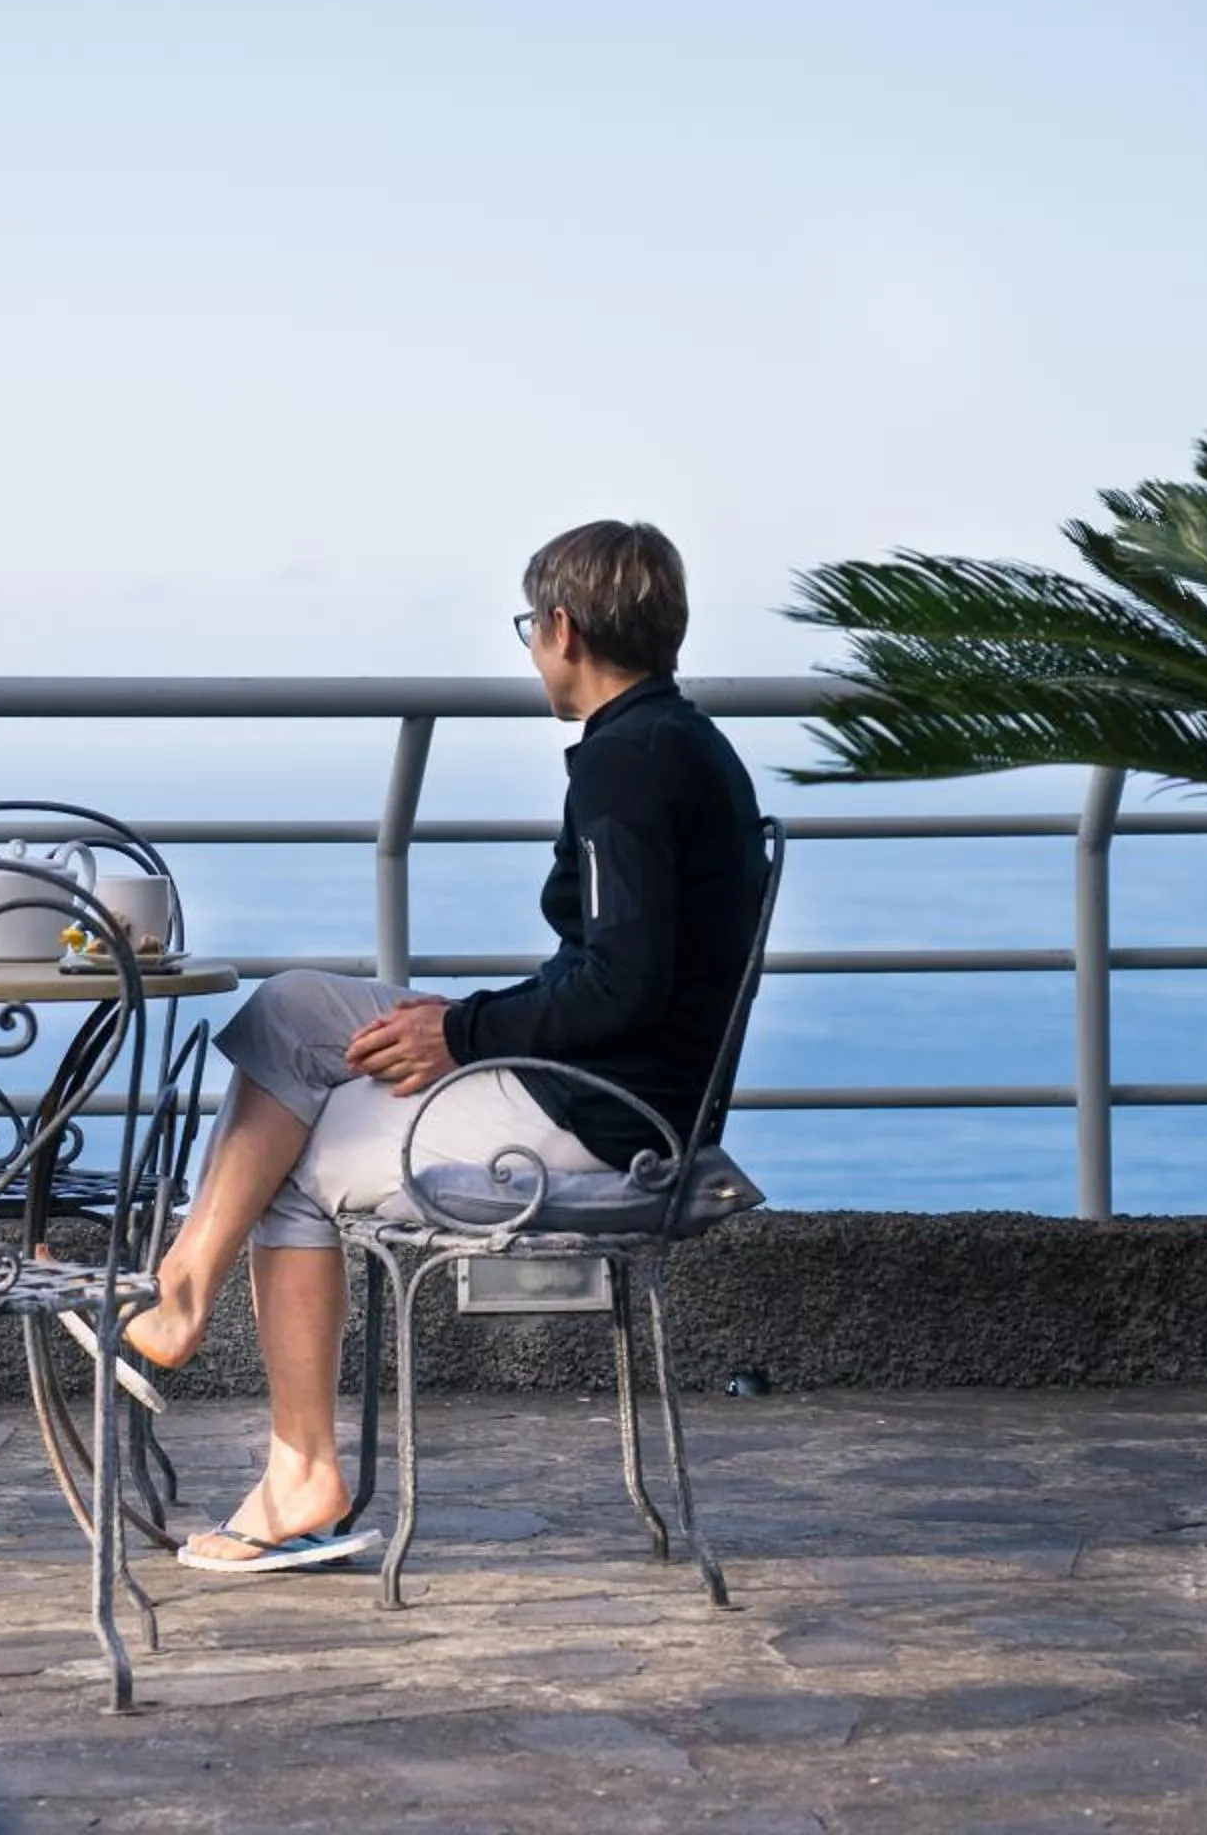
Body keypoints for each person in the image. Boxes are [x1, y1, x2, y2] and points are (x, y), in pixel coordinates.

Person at [122, 521, 767, 1573]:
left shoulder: (626, 767)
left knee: (299, 1156)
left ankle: (301, 1475)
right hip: (611, 1084)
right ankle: (184, 1279)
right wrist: (462, 1019)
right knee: (294, 1013)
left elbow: (625, 982)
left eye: (530, 628)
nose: (531, 651)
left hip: (605, 1120)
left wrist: (463, 1028)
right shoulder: (681, 745)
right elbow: (618, 965)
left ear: (562, 626)